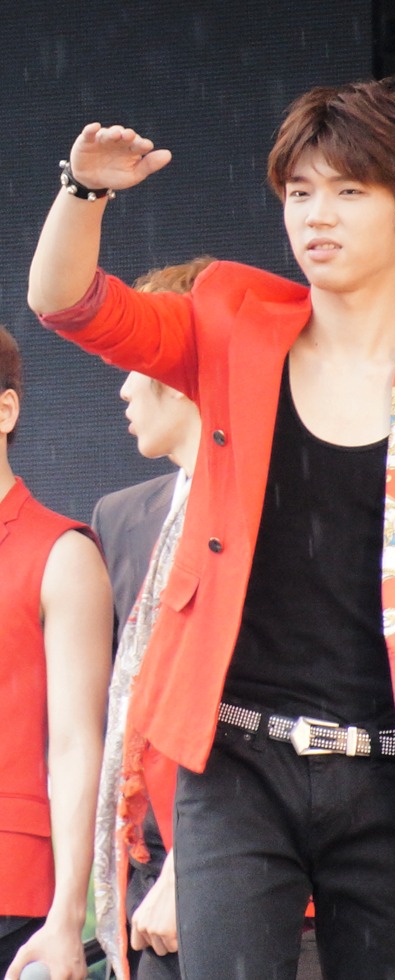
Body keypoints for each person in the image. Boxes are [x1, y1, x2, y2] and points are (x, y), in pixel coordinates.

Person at [27, 78, 395, 980]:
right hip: (235, 765)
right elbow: (70, 304)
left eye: (347, 191)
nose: (316, 215)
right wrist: (84, 190)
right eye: (298, 192)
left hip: (390, 779)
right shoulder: (232, 318)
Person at [91, 259, 210, 980]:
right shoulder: (121, 518)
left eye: (136, 362)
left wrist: (193, 864)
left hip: (249, 857)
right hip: (144, 864)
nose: (124, 387)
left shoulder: (277, 504)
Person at [0, 326, 112, 980]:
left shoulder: (61, 553)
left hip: (11, 888)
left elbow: (76, 743)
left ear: (5, 410)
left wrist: (69, 913)